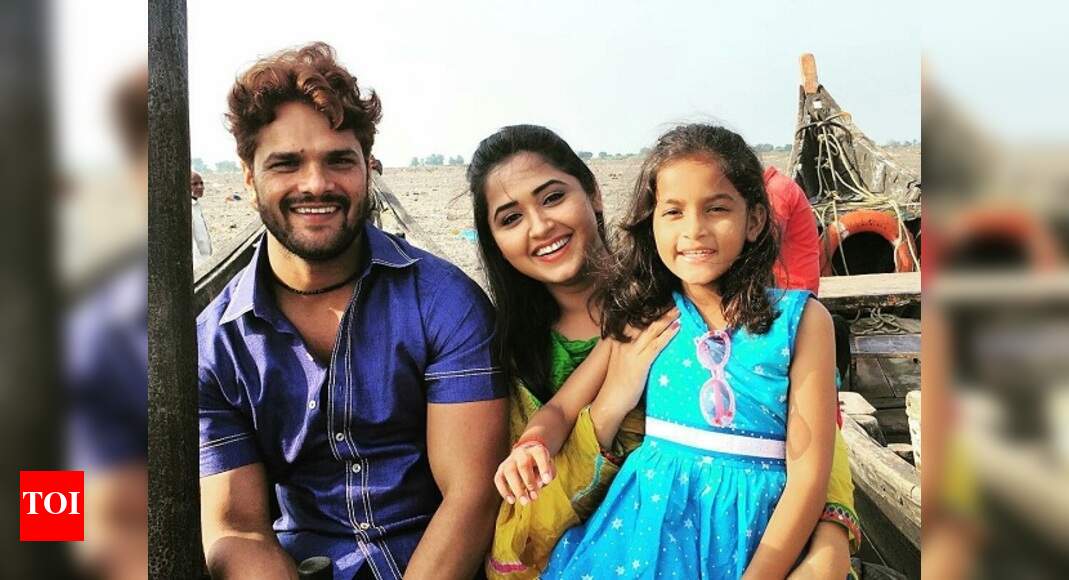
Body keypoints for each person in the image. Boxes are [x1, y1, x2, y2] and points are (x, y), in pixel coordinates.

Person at [473, 125, 859, 579]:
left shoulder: (788, 321)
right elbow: (554, 425)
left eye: (553, 197)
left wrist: (833, 534)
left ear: (594, 193)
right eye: (510, 217)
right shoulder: (620, 324)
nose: (540, 226)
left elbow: (814, 454)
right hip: (647, 538)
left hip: (757, 535)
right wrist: (570, 426)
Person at [197, 43, 507, 580]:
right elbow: (237, 528)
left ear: (368, 168)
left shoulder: (443, 302)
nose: (316, 184)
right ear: (248, 178)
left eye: (339, 160)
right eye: (286, 163)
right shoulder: (214, 344)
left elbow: (471, 494)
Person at [191, 170, 213, 267]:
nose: (200, 187)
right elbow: (192, 244)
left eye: (201, 183)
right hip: (199, 265)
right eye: (194, 184)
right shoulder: (187, 209)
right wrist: (200, 266)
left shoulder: (196, 205)